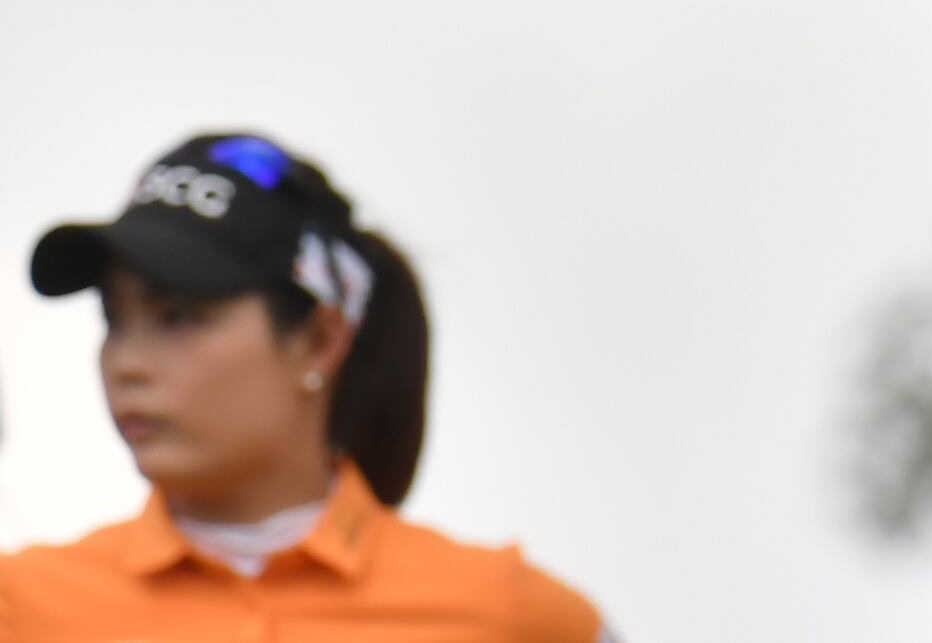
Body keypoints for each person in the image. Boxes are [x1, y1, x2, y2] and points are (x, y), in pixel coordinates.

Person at [3, 132, 612, 638]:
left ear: (321, 338)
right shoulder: (20, 608)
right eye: (114, 318)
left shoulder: (511, 615)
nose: (127, 362)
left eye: (180, 316)